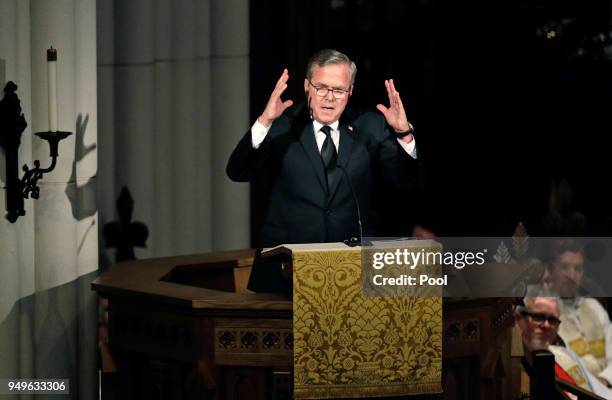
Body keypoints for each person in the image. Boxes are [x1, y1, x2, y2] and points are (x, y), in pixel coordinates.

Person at [227, 49, 422, 291]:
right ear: (308, 86)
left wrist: (404, 133)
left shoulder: (371, 126)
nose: (329, 97)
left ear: (350, 91)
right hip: (286, 271)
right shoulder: (282, 125)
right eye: (321, 87)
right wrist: (264, 121)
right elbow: (238, 172)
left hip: (354, 273)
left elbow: (406, 181)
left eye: (338, 90)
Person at [515, 293, 612, 399]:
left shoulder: (566, 354)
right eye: (538, 317)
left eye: (552, 320)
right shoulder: (513, 364)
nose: (546, 325)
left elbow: (603, 393)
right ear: (521, 319)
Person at [543, 240, 612, 388]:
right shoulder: (545, 314)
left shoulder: (593, 306)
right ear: (551, 270)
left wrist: (606, 379)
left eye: (578, 268)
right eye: (565, 267)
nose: (571, 275)